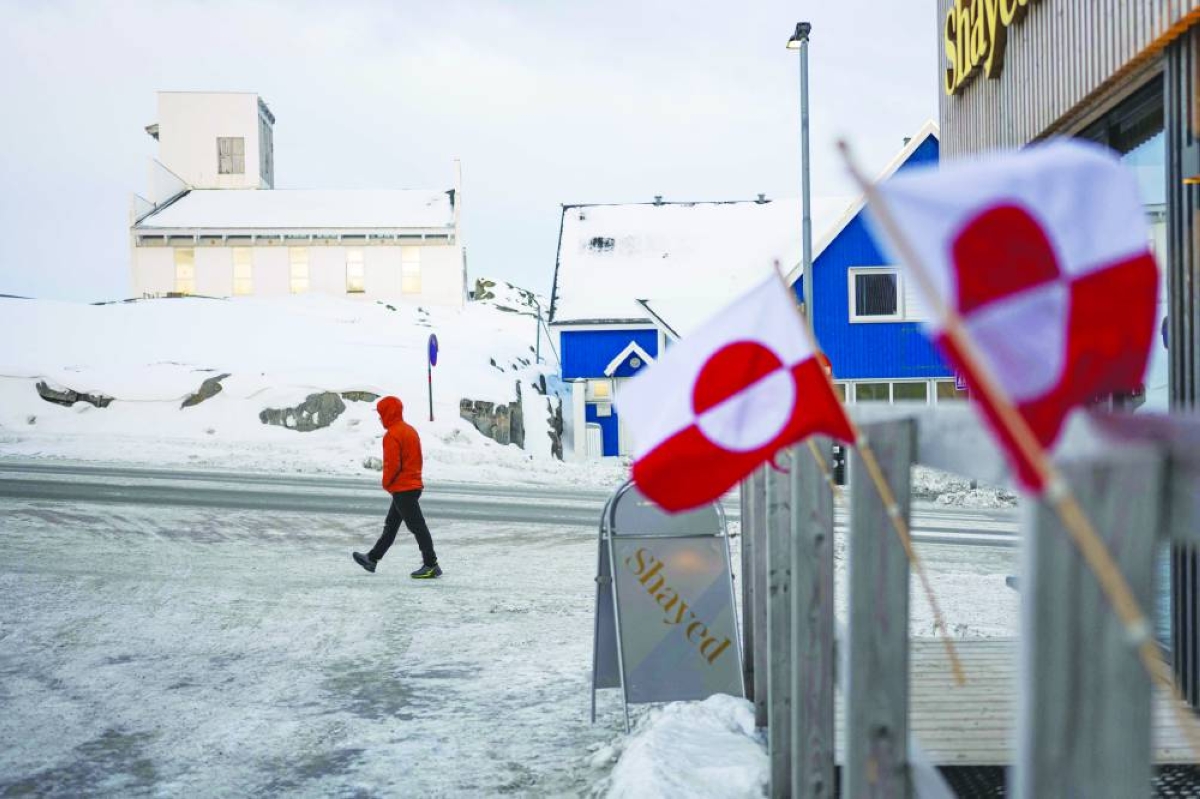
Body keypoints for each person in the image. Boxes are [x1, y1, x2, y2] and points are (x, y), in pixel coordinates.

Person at [353, 396, 442, 578]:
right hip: (412, 485)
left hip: (403, 488)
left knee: (417, 526)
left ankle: (431, 564)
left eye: (381, 414)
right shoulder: (410, 431)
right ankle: (372, 558)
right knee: (391, 526)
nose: (379, 418)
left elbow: (392, 465)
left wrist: (386, 483)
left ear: (388, 413)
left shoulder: (392, 434)